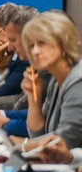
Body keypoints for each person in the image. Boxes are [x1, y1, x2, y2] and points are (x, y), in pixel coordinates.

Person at [20, 11, 82, 151]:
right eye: (31, 45)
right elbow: (38, 135)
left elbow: (63, 143)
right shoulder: (55, 80)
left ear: (63, 42)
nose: (35, 51)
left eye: (42, 43)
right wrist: (33, 99)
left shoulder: (78, 81)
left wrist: (18, 146)